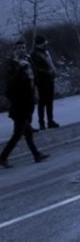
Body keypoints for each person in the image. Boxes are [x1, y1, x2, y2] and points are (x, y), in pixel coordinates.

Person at [1, 40, 50, 168]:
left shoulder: (28, 61)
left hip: (28, 101)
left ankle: (36, 154)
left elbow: (34, 78)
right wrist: (19, 69)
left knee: (27, 132)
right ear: (14, 49)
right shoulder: (13, 64)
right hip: (19, 104)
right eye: (19, 48)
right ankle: (2, 157)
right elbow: (10, 84)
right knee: (18, 134)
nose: (22, 50)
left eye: (23, 47)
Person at [30, 35, 58, 130]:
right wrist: (47, 71)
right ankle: (42, 123)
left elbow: (50, 64)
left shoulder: (45, 52)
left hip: (49, 79)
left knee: (49, 102)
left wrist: (53, 72)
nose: (46, 44)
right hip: (41, 81)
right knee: (42, 103)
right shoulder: (34, 54)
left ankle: (50, 121)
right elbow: (36, 69)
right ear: (40, 43)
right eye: (44, 43)